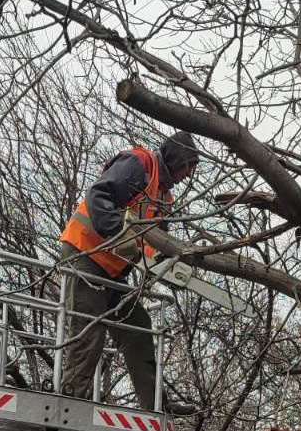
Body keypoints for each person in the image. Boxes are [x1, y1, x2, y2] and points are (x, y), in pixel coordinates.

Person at [60, 130, 199, 414]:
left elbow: (157, 246)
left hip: (113, 270)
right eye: (188, 166)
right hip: (86, 253)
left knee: (137, 326)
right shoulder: (140, 164)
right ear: (177, 159)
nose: (188, 175)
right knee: (89, 331)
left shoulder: (163, 197)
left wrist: (173, 268)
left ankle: (155, 404)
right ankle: (70, 404)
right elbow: (99, 196)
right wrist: (121, 234)